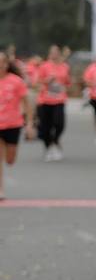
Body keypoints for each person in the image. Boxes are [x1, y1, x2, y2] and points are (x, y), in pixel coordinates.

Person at [0, 51, 35, 200]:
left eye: (2, 62)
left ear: (7, 64)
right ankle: (1, 191)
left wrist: (29, 124)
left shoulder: (16, 81)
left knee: (10, 160)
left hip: (13, 124)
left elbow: (27, 103)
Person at [36, 45, 70, 161]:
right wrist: (46, 80)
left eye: (56, 52)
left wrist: (66, 87)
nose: (54, 54)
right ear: (50, 54)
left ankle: (55, 141)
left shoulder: (64, 67)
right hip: (45, 100)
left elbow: (67, 82)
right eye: (52, 52)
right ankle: (48, 148)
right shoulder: (44, 66)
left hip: (59, 100)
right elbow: (37, 82)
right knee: (45, 127)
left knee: (59, 124)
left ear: (59, 54)